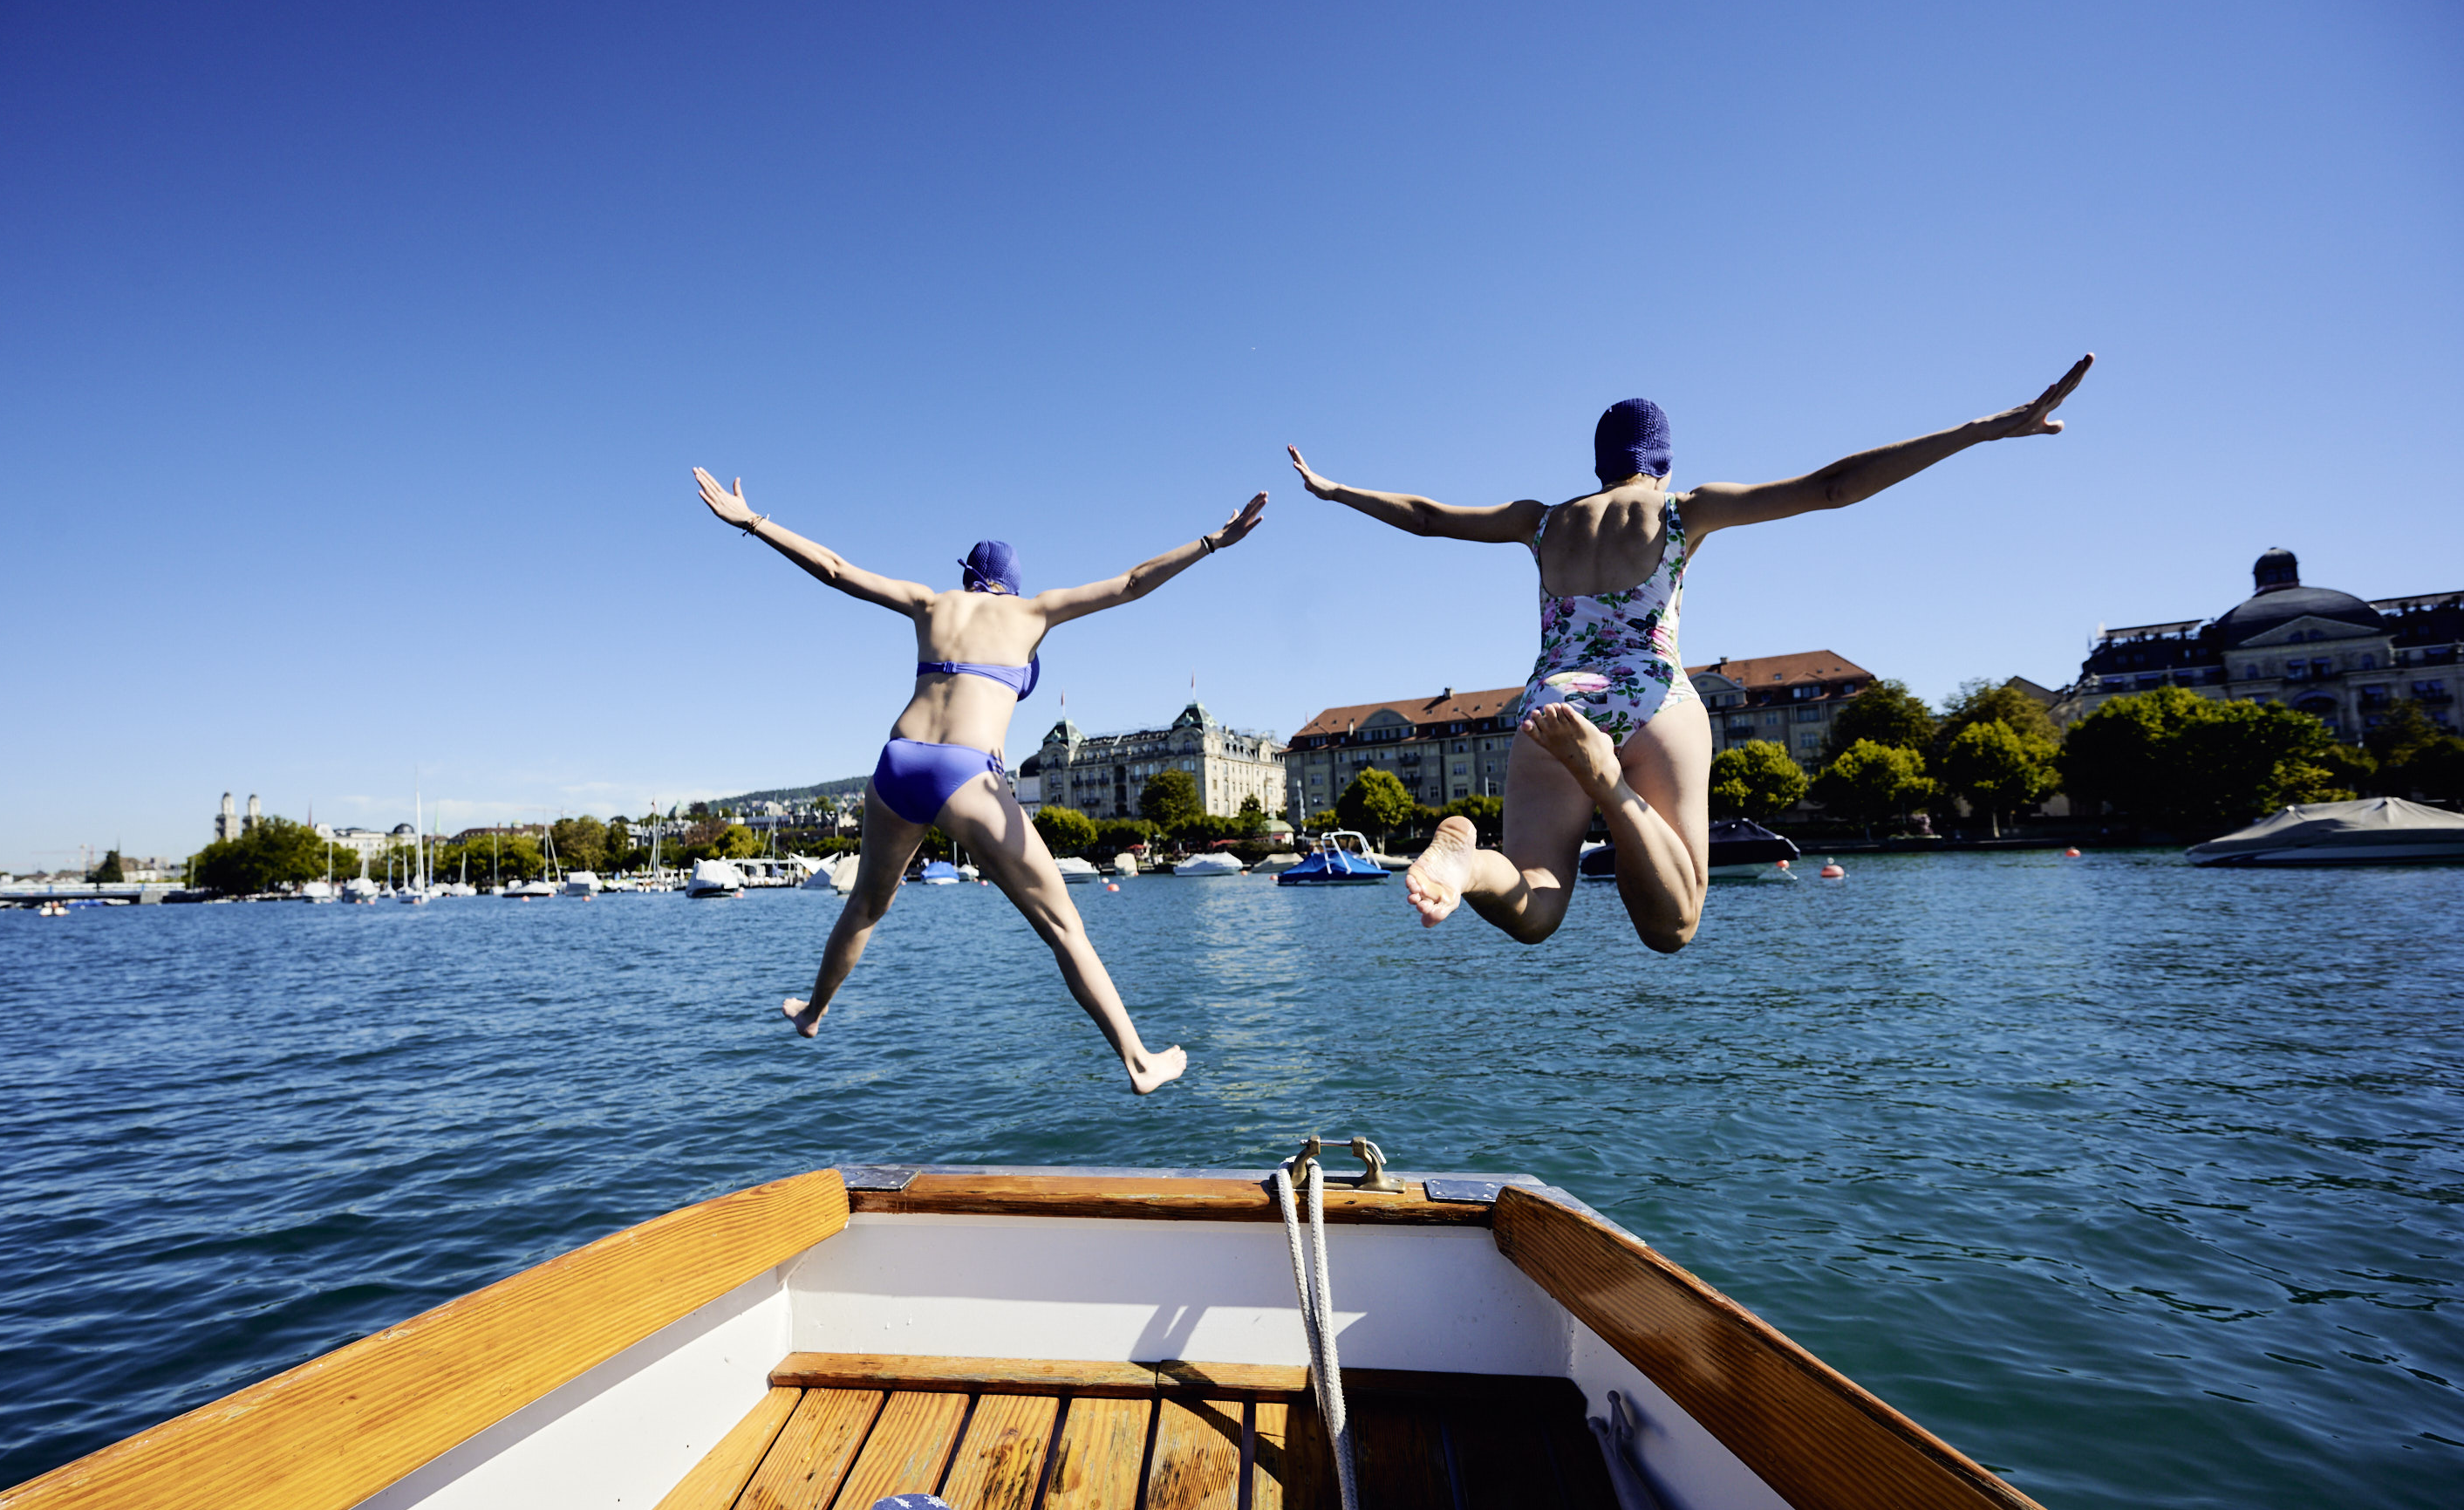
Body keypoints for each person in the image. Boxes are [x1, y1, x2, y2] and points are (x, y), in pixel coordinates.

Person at [1285, 355, 2092, 953]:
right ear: (1662, 459)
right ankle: (1610, 783)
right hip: (1650, 696)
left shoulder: (1543, 520)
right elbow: (1836, 485)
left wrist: (1335, 490)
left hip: (1551, 705)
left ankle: (1463, 865)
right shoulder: (1682, 511)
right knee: (1672, 927)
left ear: (1597, 463)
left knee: (1535, 910)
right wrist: (1985, 429)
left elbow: (1427, 516)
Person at [694, 467, 1267, 1093]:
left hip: (897, 763)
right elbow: (1132, 583)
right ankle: (1139, 1061)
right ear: (1012, 587)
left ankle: (813, 1011)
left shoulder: (930, 602)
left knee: (865, 903)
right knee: (1063, 926)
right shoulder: (1032, 613)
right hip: (968, 773)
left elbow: (833, 567)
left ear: (969, 575)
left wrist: (753, 521)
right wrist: (1213, 540)